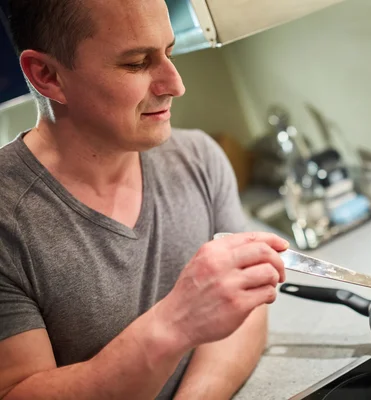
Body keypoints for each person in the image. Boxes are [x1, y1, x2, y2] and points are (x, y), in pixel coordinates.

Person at [0, 0, 289, 399]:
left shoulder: (198, 158)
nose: (176, 85)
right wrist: (174, 323)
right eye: (136, 63)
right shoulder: (6, 219)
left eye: (168, 53)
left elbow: (245, 304)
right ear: (47, 75)